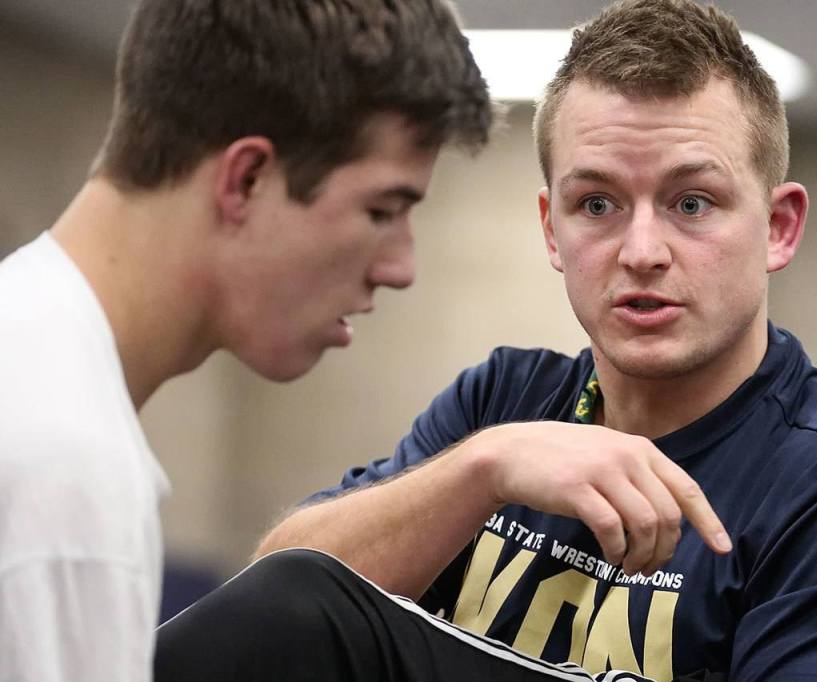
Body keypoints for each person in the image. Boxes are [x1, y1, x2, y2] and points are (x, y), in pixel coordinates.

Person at [249, 0, 817, 680]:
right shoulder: (501, 404)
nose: (642, 251)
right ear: (551, 228)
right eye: (597, 204)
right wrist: (483, 469)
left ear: (778, 227)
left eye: (693, 203)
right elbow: (268, 612)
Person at [0, 0, 491, 680]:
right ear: (247, 179)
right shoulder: (62, 468)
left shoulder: (29, 363)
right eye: (381, 210)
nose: (400, 267)